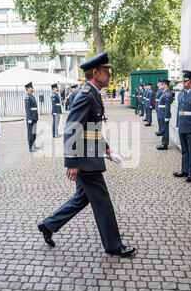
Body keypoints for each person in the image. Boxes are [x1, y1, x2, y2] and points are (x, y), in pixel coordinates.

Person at [36, 52, 136, 258]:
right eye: (106, 71)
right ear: (96, 73)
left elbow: (91, 129)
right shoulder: (85, 96)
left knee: (81, 199)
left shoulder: (93, 94)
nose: (109, 74)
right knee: (103, 203)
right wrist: (71, 163)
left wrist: (106, 149)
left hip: (88, 156)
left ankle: (48, 225)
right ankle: (113, 245)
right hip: (84, 161)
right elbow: (72, 129)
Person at [156, 79, 173, 150]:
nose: (160, 85)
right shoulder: (164, 92)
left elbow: (167, 106)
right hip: (161, 113)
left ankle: (164, 144)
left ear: (166, 85)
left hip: (164, 114)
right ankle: (163, 142)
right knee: (163, 129)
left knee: (165, 129)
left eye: (162, 84)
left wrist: (167, 116)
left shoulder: (167, 94)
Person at [24, 82, 39, 152]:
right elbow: (27, 108)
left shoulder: (32, 96)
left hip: (34, 117)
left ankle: (33, 144)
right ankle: (30, 146)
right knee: (30, 132)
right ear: (28, 89)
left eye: (32, 87)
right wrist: (29, 118)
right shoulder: (28, 97)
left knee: (34, 132)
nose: (32, 89)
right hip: (31, 118)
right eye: (31, 87)